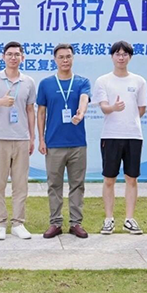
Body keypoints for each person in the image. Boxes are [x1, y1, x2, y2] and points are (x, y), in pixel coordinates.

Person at [0, 41, 36, 240]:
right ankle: (0, 223)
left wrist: (32, 137)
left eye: (17, 54)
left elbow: (30, 110)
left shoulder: (28, 81)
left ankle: (18, 223)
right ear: (3, 57)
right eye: (10, 54)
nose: (13, 57)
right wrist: (2, 102)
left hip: (21, 138)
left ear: (22, 58)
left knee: (20, 185)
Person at [92, 41, 147, 235]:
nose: (121, 57)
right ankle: (109, 219)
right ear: (112, 56)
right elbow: (104, 107)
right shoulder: (103, 81)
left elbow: (141, 108)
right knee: (109, 179)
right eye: (117, 54)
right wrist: (113, 108)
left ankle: (129, 219)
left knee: (131, 178)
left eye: (125, 54)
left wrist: (129, 120)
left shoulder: (139, 81)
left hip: (133, 135)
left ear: (130, 57)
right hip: (110, 135)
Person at [37, 43, 91, 239]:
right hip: (54, 143)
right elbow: (41, 112)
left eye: (68, 56)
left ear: (73, 58)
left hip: (77, 143)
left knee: (77, 184)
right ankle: (55, 223)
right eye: (61, 57)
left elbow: (84, 99)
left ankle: (76, 223)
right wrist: (41, 139)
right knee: (54, 185)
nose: (65, 60)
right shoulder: (46, 84)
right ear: (55, 59)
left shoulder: (82, 81)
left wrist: (81, 113)